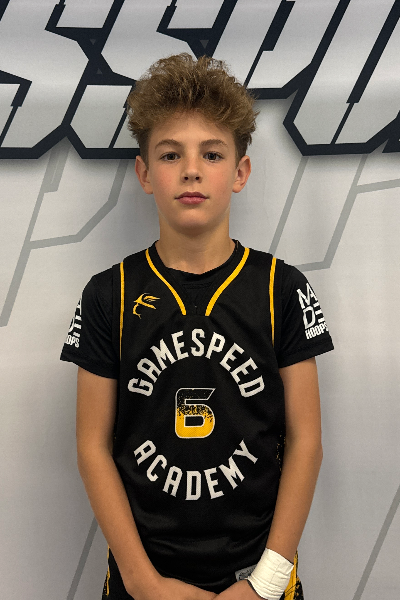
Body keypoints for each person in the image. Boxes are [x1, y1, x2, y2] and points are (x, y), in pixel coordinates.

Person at [61, 53, 333, 600]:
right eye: (170, 154)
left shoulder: (281, 288)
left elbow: (306, 440)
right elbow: (92, 445)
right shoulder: (108, 294)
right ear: (144, 173)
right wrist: (143, 582)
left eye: (211, 154)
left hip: (258, 575)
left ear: (240, 172)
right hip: (145, 578)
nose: (191, 170)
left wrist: (266, 582)